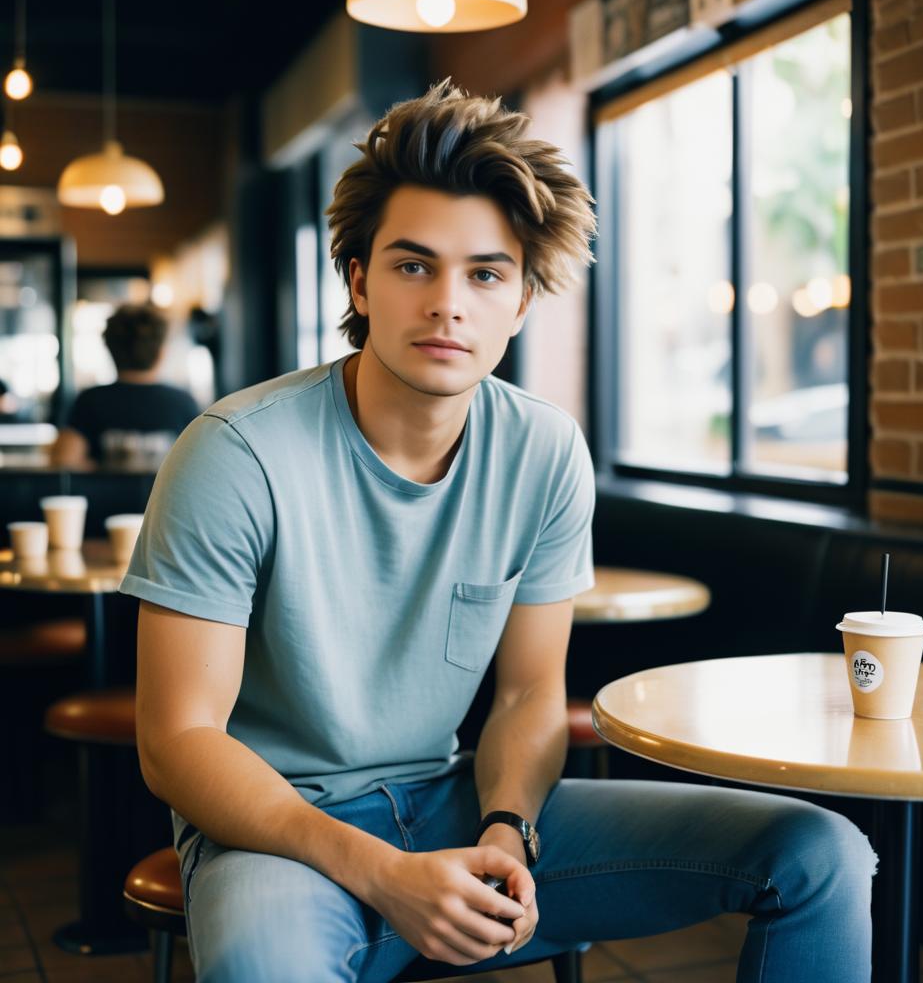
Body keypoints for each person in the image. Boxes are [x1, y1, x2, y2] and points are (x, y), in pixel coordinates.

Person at [121, 80, 876, 983]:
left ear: (521, 302)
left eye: (485, 273)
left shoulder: (547, 450)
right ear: (359, 280)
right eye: (413, 266)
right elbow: (178, 740)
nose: (450, 304)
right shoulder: (235, 452)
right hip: (276, 832)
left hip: (455, 802)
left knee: (818, 851)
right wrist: (384, 874)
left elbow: (525, 699)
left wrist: (506, 827)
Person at [49, 302, 200, 469]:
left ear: (110, 349)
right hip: (169, 496)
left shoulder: (90, 401)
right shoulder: (183, 403)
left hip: (104, 496)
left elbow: (65, 461)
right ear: (161, 353)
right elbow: (200, 467)